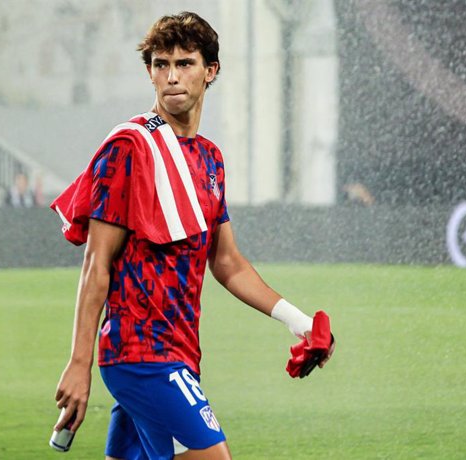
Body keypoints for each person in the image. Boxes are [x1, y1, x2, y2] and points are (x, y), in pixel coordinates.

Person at [51, 12, 335, 460]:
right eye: (161, 65)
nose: (171, 76)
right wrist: (80, 363)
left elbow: (228, 263)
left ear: (211, 71)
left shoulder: (210, 159)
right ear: (149, 73)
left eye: (185, 63)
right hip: (142, 356)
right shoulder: (130, 149)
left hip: (180, 354)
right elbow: (96, 263)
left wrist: (300, 323)